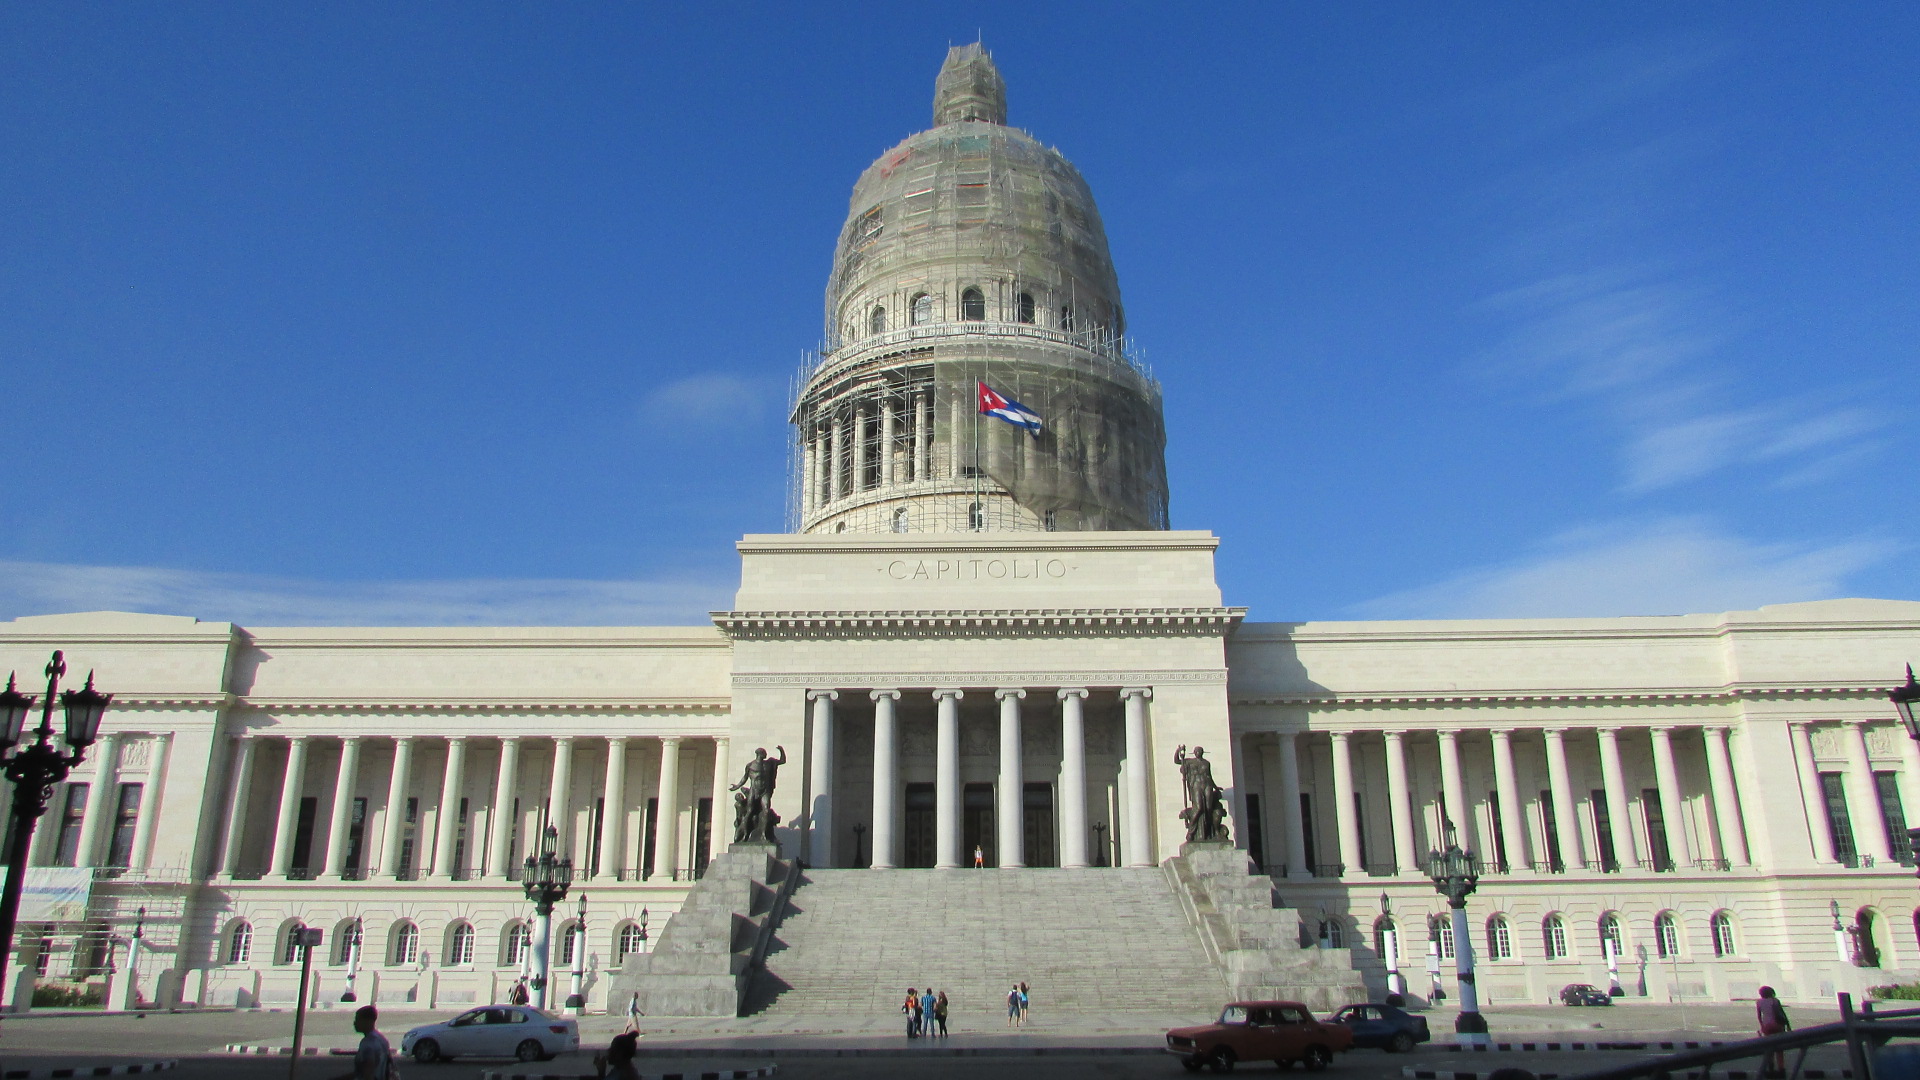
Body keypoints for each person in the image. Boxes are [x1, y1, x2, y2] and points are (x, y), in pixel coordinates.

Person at [331, 1005, 392, 1080]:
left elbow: (367, 1073)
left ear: (368, 1021)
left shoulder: (368, 1044)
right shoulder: (381, 1039)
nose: (355, 1023)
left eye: (358, 1019)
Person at [1757, 986, 1791, 1076]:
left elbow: (1759, 1016)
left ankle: (1771, 1068)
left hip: (1767, 1026)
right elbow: (1781, 1013)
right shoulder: (1775, 1001)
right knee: (1779, 1049)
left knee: (1769, 1047)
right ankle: (1781, 1069)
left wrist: (1762, 1026)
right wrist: (1788, 1025)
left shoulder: (1759, 1002)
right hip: (1777, 1025)